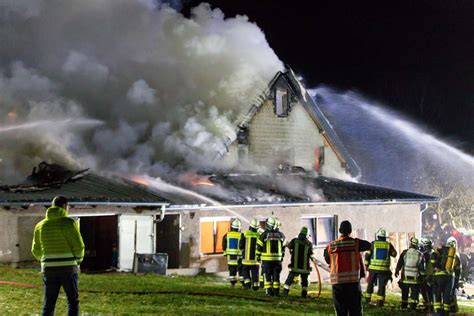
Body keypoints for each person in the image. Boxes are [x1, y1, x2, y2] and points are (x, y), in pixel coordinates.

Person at [31, 196, 85, 316]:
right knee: (72, 300)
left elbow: (35, 249)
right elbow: (78, 245)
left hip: (49, 269)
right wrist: (78, 260)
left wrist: (45, 260)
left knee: (49, 303)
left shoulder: (40, 225)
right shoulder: (69, 223)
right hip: (68, 267)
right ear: (65, 206)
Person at [324, 220, 371, 316]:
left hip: (338, 284)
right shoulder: (356, 243)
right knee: (355, 311)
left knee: (341, 312)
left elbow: (328, 260)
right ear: (350, 231)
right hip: (352, 283)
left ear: (340, 230)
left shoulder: (331, 246)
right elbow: (369, 245)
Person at [364, 227, 397, 307]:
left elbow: (367, 255)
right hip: (384, 270)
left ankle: (367, 301)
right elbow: (394, 254)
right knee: (381, 286)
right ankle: (380, 304)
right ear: (385, 237)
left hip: (373, 269)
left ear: (378, 236)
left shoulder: (373, 244)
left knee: (370, 284)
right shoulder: (388, 245)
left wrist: (366, 266)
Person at [432, 236, 461, 315]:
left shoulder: (440, 251)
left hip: (438, 276)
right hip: (449, 277)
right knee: (446, 295)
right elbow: (458, 270)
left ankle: (438, 312)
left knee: (437, 293)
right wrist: (456, 281)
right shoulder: (455, 256)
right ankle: (446, 312)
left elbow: (433, 260)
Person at [257, 217, 286, 296]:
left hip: (267, 260)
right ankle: (276, 292)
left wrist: (258, 256)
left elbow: (259, 246)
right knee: (276, 276)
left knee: (267, 275)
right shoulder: (281, 235)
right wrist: (282, 256)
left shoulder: (264, 235)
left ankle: (268, 291)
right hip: (277, 260)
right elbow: (284, 247)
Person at [283, 226, 313, 298]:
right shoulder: (309, 244)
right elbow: (311, 253)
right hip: (304, 267)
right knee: (304, 280)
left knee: (290, 278)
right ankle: (304, 293)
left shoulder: (294, 241)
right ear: (307, 235)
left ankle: (285, 291)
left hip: (295, 266)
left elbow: (289, 246)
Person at [395, 237, 422, 310]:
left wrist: (397, 270)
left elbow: (400, 263)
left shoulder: (405, 252)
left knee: (405, 291)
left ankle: (404, 306)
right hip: (415, 278)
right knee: (414, 293)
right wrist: (422, 276)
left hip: (405, 276)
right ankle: (413, 307)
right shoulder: (420, 254)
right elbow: (422, 267)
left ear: (410, 244)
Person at [240, 218, 261, 290]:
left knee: (245, 271)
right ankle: (255, 286)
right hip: (255, 260)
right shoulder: (260, 235)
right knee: (255, 273)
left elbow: (240, 246)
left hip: (246, 259)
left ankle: (247, 284)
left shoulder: (245, 234)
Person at [222, 218, 244, 287]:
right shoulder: (241, 235)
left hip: (231, 258)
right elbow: (243, 246)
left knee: (232, 271)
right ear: (239, 228)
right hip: (239, 257)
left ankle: (232, 284)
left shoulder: (227, 235)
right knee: (241, 271)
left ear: (232, 227)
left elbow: (224, 246)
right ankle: (243, 284)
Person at [419, 237, 435, 312]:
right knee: (432, 291)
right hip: (434, 275)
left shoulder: (425, 254)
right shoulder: (434, 253)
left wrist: (423, 275)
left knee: (425, 290)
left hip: (426, 275)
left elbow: (423, 266)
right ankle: (432, 305)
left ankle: (428, 306)